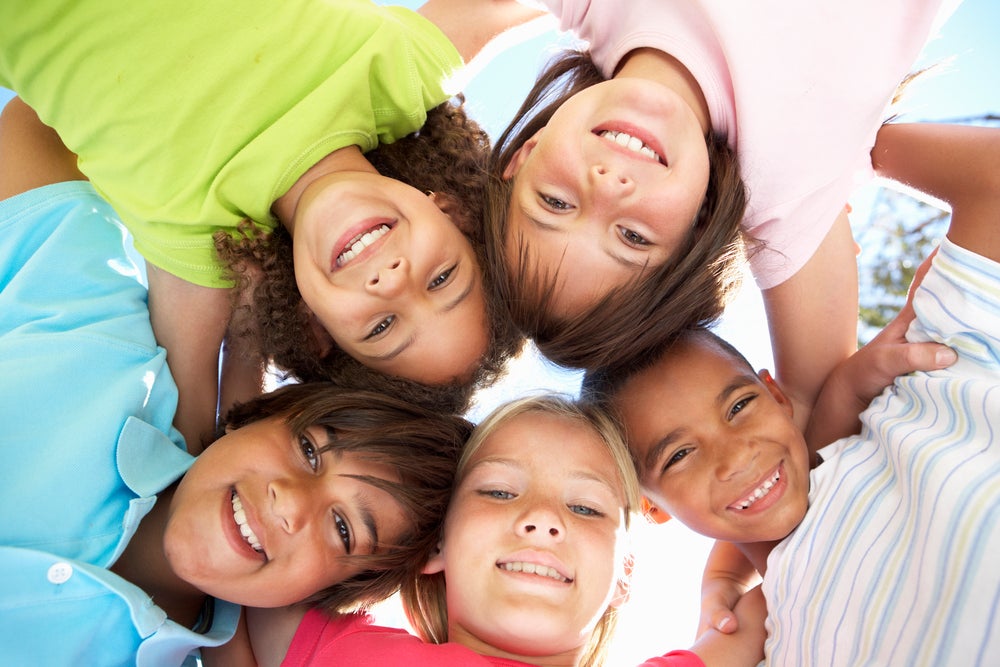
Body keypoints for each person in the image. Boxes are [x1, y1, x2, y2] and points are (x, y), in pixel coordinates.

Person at [0, 100, 473, 665]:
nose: (288, 502)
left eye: (344, 529)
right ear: (264, 414)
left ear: (326, 597)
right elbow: (43, 120)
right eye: (307, 449)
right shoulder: (100, 342)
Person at [0, 0, 542, 451]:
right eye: (442, 279)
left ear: (317, 328)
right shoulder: (399, 74)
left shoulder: (200, 252)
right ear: (451, 210)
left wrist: (247, 342)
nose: (394, 282)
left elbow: (187, 451)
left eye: (381, 328)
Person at [585, 123, 1000, 663]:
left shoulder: (912, 380)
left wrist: (838, 148)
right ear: (649, 507)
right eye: (680, 454)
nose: (737, 455)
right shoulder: (762, 635)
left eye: (739, 406)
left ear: (776, 395)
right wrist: (724, 579)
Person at [484, 0, 960, 434]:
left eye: (556, 203)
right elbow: (811, 408)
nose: (609, 187)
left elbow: (425, 48)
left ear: (524, 157)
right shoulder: (783, 184)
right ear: (696, 227)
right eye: (632, 236)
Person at [244, 395, 768, 666]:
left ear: (624, 573)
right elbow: (240, 495)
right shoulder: (339, 654)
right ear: (436, 542)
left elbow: (805, 529)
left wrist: (726, 572)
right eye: (498, 492)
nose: (542, 519)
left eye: (586, 507)